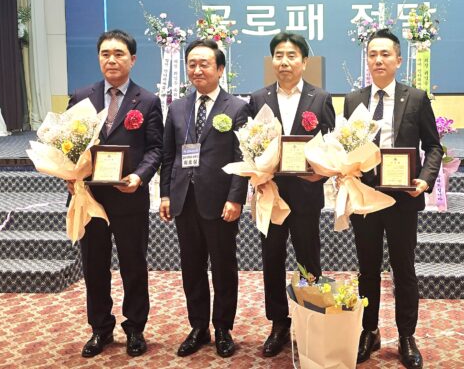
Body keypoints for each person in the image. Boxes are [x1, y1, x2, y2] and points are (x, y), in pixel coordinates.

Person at [342, 29, 442, 369]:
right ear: (367, 60)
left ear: (399, 60)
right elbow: (345, 146)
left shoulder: (415, 98)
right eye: (373, 54)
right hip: (365, 197)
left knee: (403, 269)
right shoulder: (353, 100)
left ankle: (406, 336)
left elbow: (434, 146)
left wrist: (425, 179)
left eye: (385, 54)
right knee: (367, 270)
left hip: (402, 199)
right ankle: (369, 331)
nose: (378, 60)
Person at [66, 29, 163, 358]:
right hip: (89, 198)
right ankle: (100, 328)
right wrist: (69, 175)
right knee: (94, 265)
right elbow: (66, 144)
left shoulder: (147, 101)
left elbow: (155, 149)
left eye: (119, 54)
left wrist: (139, 176)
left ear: (132, 59)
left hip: (129, 196)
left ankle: (135, 328)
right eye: (105, 53)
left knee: (133, 265)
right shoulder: (82, 96)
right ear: (98, 58)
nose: (111, 60)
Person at [246, 32, 336, 357]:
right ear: (272, 60)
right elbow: (250, 145)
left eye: (292, 55)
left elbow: (331, 145)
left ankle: (311, 319)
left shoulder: (320, 98)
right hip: (271, 194)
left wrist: (321, 171)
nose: (284, 62)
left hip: (306, 194)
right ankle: (278, 324)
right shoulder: (258, 99)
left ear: (304, 61)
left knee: (308, 259)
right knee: (271, 259)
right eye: (279, 55)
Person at [159, 38, 249, 358]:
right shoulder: (177, 108)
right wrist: (165, 194)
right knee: (191, 267)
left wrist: (236, 198)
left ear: (220, 69)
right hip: (185, 200)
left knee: (223, 267)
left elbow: (243, 157)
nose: (197, 70)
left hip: (220, 201)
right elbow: (169, 155)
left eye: (204, 64)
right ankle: (198, 326)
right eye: (192, 64)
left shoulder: (236, 107)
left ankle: (223, 327)